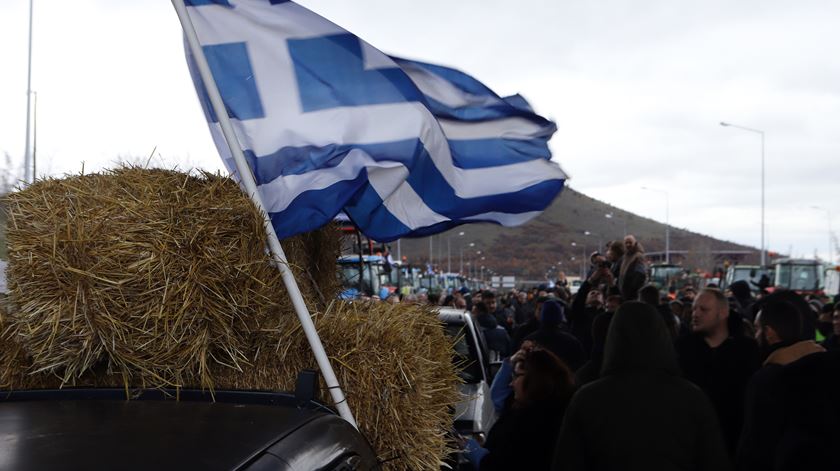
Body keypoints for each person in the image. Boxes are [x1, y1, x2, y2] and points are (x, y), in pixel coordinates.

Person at [552, 302, 731, 471]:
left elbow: (567, 462)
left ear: (613, 340)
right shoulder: (693, 398)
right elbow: (714, 461)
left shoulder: (587, 398)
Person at [738, 296, 840, 470]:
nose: (755, 335)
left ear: (769, 332)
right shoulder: (826, 367)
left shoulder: (767, 378)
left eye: (756, 329)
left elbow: (757, 442)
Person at [675, 288, 760, 458]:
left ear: (722, 313)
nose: (695, 314)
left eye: (704, 309)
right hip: (690, 441)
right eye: (694, 308)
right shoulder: (682, 348)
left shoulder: (746, 350)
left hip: (733, 441)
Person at [465, 348, 575, 471]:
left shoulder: (531, 423)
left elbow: (504, 464)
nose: (511, 383)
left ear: (536, 379)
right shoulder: (553, 411)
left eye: (517, 376)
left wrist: (476, 453)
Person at [618, 235, 646, 301]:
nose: (628, 245)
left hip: (632, 294)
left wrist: (631, 291)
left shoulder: (638, 256)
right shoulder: (625, 257)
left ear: (635, 243)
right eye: (626, 243)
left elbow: (640, 275)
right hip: (625, 292)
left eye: (630, 242)